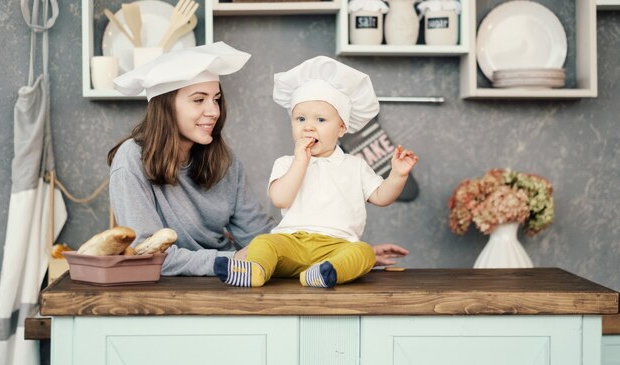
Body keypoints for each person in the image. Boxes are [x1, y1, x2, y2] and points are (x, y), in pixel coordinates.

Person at [107, 43, 409, 276]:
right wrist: (230, 261)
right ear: (165, 106)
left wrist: (335, 250)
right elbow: (146, 255)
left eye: (216, 99)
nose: (213, 111)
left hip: (234, 279)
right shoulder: (131, 160)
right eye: (199, 100)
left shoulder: (222, 160)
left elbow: (259, 234)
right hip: (200, 281)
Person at [214, 56, 418, 288]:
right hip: (292, 243)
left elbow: (382, 197)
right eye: (300, 119)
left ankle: (324, 273)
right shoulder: (286, 162)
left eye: (320, 119)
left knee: (363, 253)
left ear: (342, 128)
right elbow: (281, 199)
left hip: (337, 245)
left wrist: (398, 175)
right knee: (263, 243)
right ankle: (254, 271)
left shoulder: (355, 165)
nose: (308, 127)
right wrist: (300, 162)